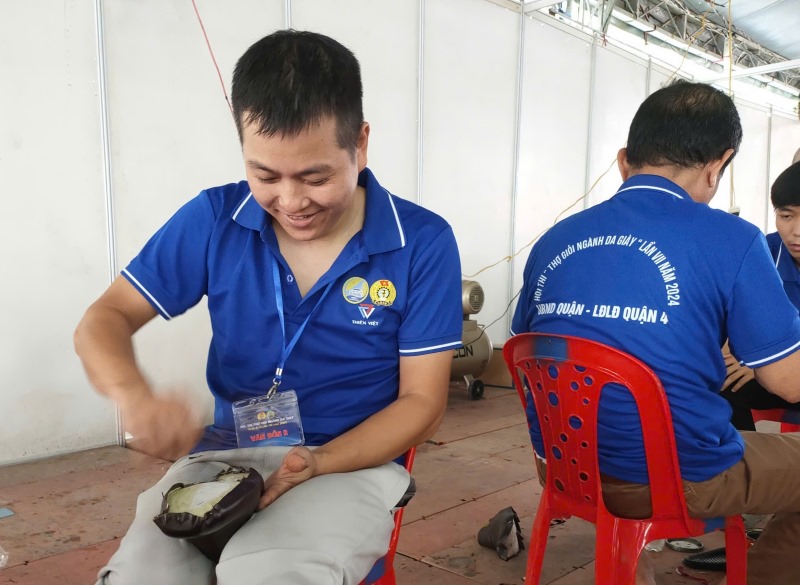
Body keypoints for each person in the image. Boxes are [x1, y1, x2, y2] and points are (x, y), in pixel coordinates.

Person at [73, 30, 463, 585]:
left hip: (348, 462)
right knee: (143, 576)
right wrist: (135, 397)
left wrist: (320, 463)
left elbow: (423, 401)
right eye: (265, 175)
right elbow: (102, 320)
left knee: (269, 573)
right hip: (226, 456)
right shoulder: (216, 219)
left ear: (362, 143)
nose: (291, 201)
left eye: (316, 177)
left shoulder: (420, 243)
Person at [511, 80, 800, 585]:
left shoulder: (554, 239)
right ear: (718, 164)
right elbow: (790, 384)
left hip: (565, 465)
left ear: (626, 159)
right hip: (676, 478)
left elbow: (529, 347)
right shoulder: (734, 239)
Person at [721, 161, 800, 430]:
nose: (796, 231)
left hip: (781, 370)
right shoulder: (761, 252)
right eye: (786, 216)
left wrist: (763, 365)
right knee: (723, 386)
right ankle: (741, 464)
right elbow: (728, 313)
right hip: (774, 372)